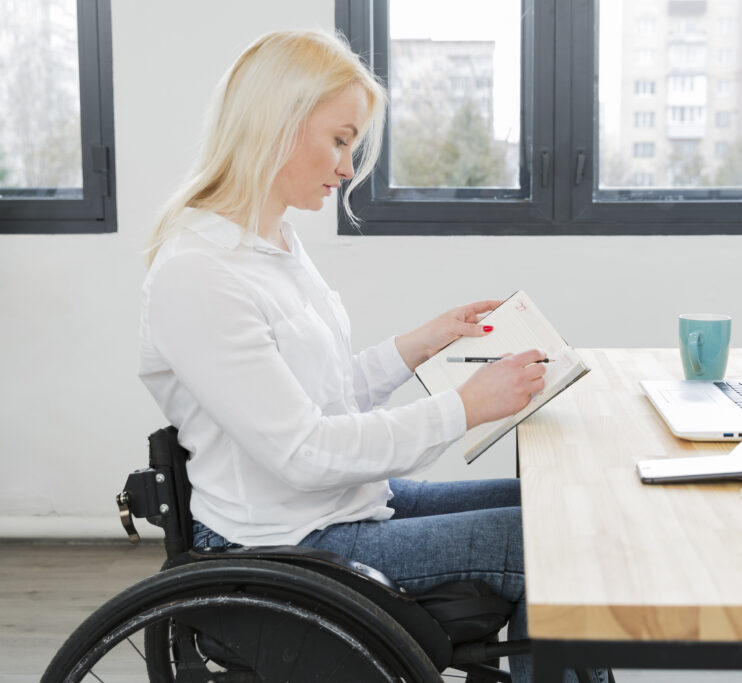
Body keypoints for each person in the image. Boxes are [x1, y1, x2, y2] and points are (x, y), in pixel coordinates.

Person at [138, 29, 548, 681]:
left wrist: (422, 342)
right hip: (288, 543)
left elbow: (322, 394)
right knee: (549, 542)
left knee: (547, 502)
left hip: (337, 505)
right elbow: (302, 450)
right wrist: (462, 409)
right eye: (340, 139)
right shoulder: (199, 273)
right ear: (276, 123)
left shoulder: (272, 245)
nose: (347, 168)